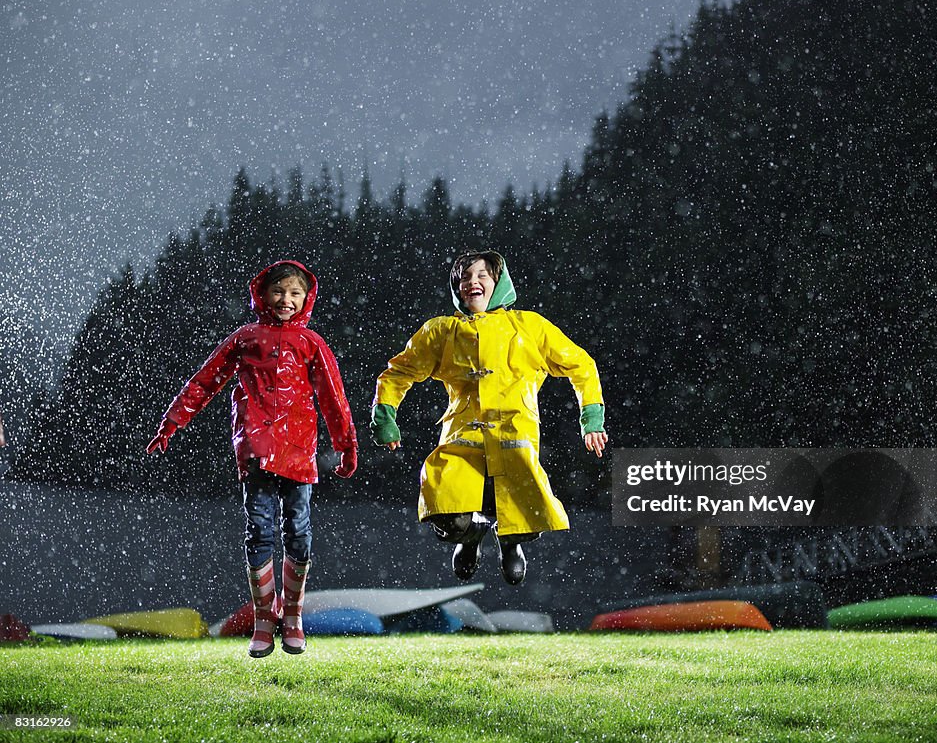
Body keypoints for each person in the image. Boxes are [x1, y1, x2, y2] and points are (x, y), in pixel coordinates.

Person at [146, 260, 357, 658]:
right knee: (259, 529)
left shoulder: (312, 344)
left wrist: (346, 446)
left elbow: (333, 398)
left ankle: (291, 614)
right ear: (263, 295)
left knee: (299, 529)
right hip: (256, 448)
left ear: (306, 298)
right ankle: (265, 617)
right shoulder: (246, 338)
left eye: (295, 293)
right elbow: (205, 380)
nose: (286, 300)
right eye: (279, 291)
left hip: (298, 450)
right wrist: (172, 421)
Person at [371, 250, 607, 585]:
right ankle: (472, 536)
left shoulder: (529, 326)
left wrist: (591, 417)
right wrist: (385, 415)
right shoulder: (441, 332)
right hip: (462, 440)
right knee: (445, 510)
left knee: (527, 512)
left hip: (514, 437)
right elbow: (398, 373)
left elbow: (581, 365)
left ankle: (510, 542)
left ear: (499, 282)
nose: (473, 282)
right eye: (465, 277)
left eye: (482, 275)